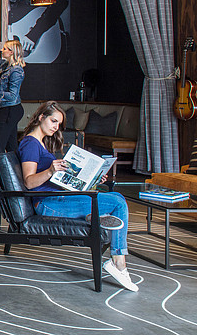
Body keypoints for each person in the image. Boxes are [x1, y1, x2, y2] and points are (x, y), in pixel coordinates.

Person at [18, 101, 138, 292]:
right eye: (53, 121)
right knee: (117, 202)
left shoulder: (39, 143)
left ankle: (96, 220)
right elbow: (29, 182)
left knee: (115, 199)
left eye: (59, 124)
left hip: (58, 198)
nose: (56, 127)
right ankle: (118, 263)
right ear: (41, 117)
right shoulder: (31, 144)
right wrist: (50, 170)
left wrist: (94, 177)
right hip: (48, 203)